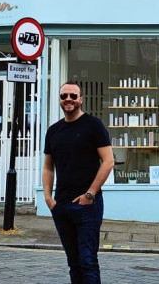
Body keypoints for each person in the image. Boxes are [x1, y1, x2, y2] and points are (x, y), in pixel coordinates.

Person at [42, 81, 114, 284]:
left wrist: (90, 194)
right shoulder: (53, 131)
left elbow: (108, 161)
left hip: (87, 206)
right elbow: (48, 167)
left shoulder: (93, 125)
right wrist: (48, 198)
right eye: (64, 96)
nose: (68, 100)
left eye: (73, 96)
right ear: (59, 99)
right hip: (61, 205)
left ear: (81, 99)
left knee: (88, 261)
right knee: (73, 262)